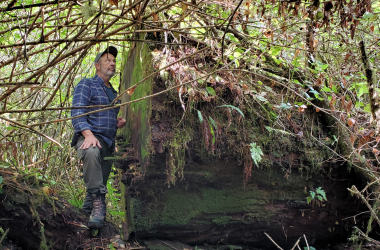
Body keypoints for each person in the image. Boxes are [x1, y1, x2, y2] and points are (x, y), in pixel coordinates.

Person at [71, 46, 126, 229]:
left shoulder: (113, 93)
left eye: (113, 61)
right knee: (92, 152)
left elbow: (105, 115)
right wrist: (88, 135)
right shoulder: (86, 84)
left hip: (108, 142)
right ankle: (99, 205)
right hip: (91, 137)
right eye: (107, 60)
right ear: (97, 65)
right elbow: (77, 112)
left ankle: (85, 218)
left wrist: (115, 121)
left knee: (98, 181)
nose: (112, 63)